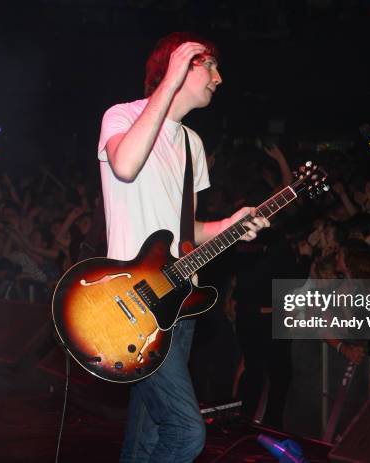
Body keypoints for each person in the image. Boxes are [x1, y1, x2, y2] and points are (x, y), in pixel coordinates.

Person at [97, 32, 269, 463]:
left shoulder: (193, 143)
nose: (219, 78)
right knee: (186, 432)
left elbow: (184, 230)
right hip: (131, 306)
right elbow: (125, 163)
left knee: (147, 433)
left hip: (181, 305)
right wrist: (170, 79)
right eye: (208, 65)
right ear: (177, 64)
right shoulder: (121, 116)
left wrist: (229, 225)